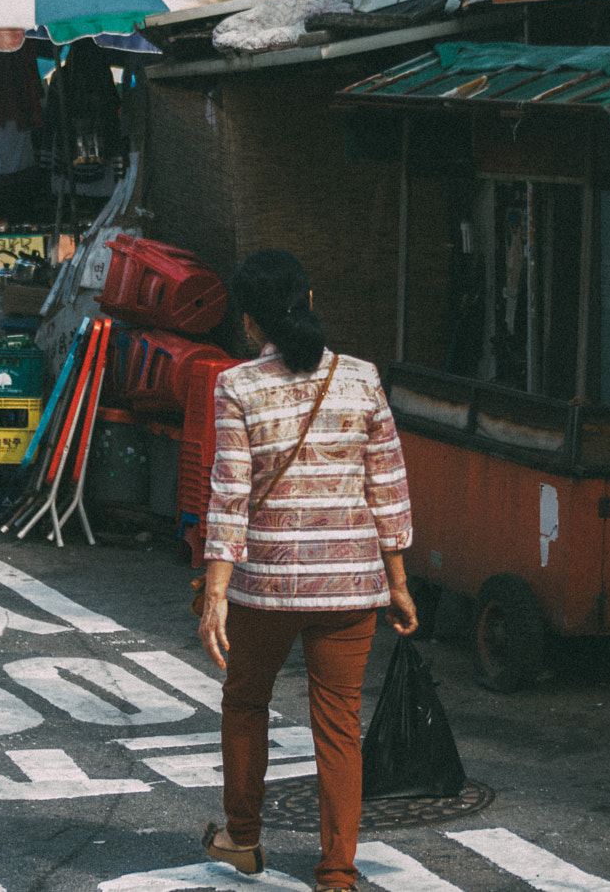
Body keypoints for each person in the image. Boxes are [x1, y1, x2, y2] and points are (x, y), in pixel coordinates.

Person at [196, 249, 417, 892]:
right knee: (339, 723)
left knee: (244, 702)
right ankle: (338, 871)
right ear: (310, 300)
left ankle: (243, 836)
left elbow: (229, 495)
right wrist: (398, 583)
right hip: (353, 584)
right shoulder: (363, 378)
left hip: (265, 586)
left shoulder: (237, 386)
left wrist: (215, 593)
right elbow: (389, 487)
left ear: (248, 322)